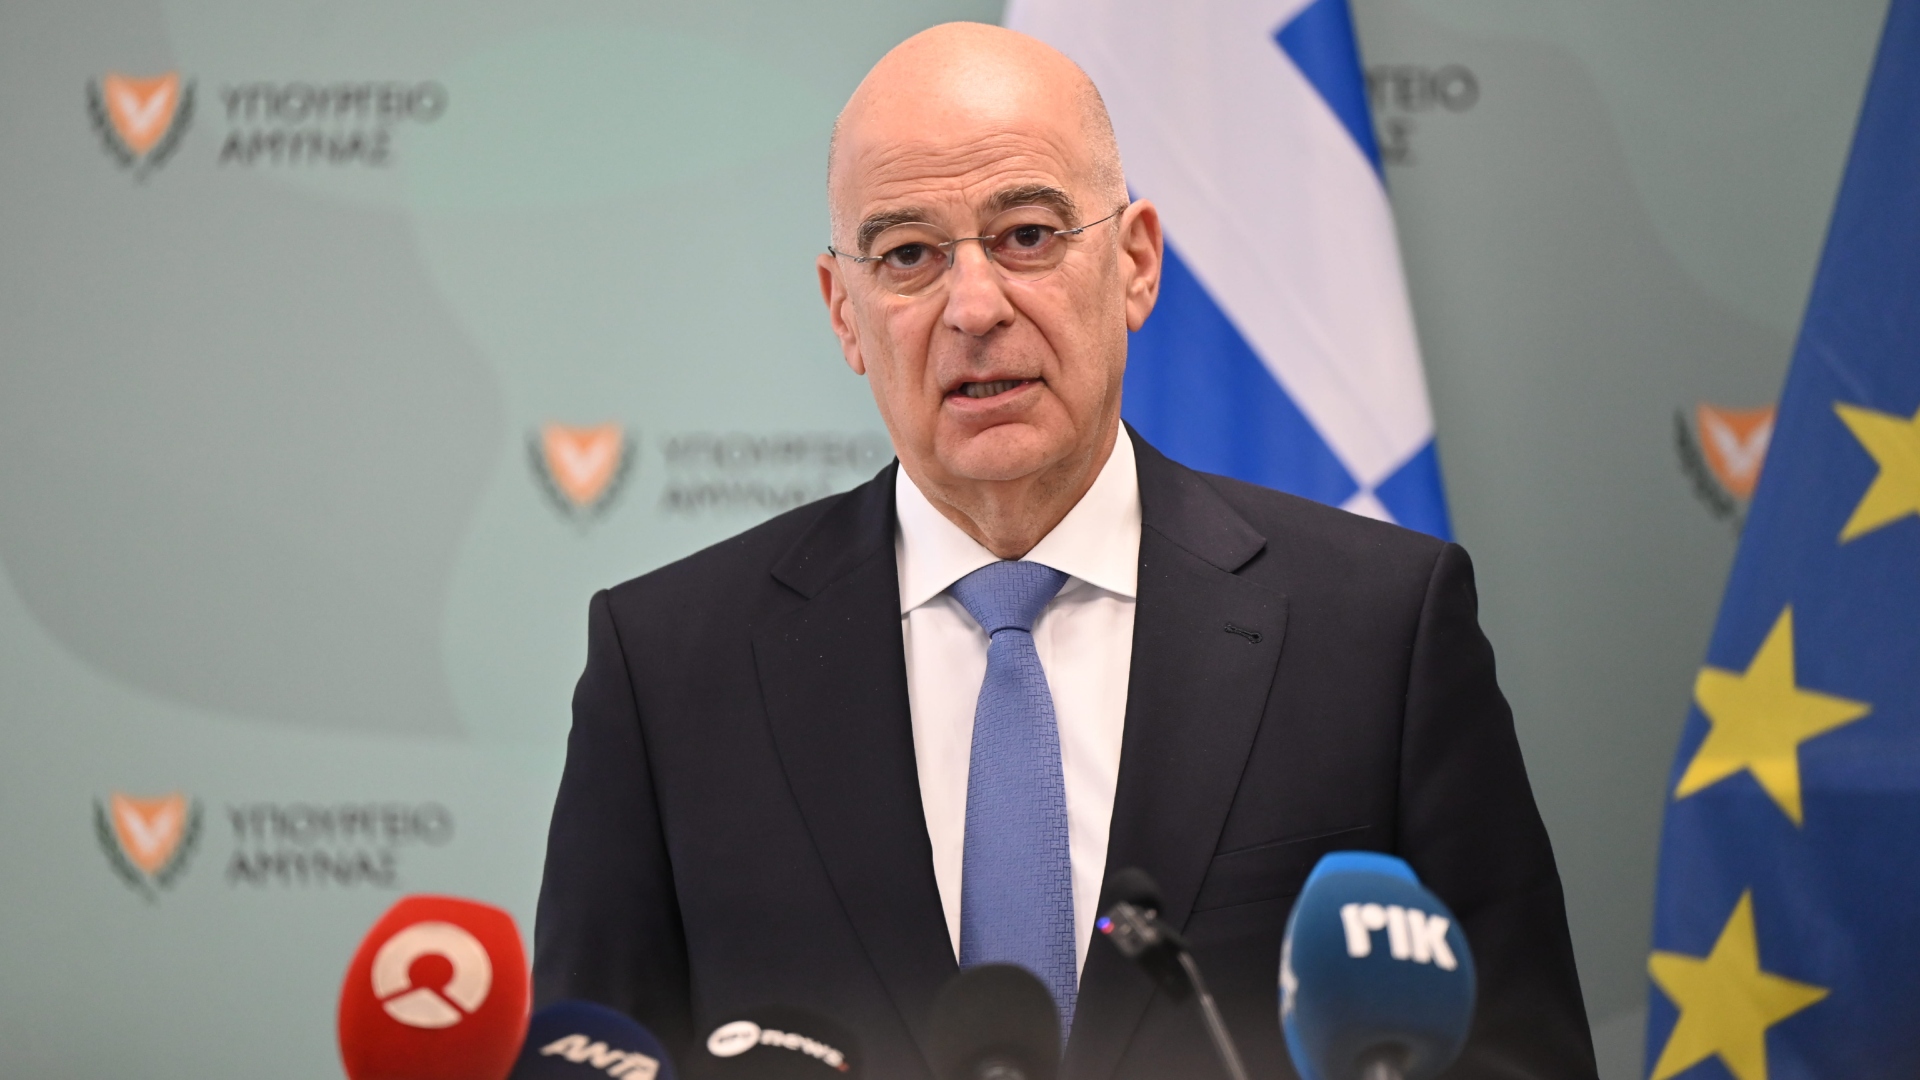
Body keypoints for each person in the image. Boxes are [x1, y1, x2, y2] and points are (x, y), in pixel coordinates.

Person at [535, 21, 1596, 1080]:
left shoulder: (1377, 631)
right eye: (908, 256)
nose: (974, 307)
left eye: (1028, 235)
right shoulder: (670, 670)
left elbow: (1519, 1058)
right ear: (844, 313)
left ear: (1135, 263)